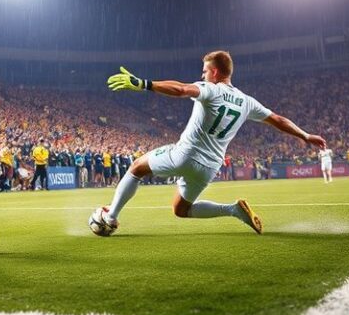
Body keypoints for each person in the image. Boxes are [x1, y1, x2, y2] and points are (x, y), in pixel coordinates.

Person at [92, 51, 326, 236]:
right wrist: (305, 136)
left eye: (204, 71)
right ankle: (234, 210)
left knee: (136, 168)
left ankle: (110, 217)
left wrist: (143, 84)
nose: (202, 75)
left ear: (214, 72)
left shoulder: (211, 89)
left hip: (185, 154)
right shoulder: (246, 102)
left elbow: (182, 89)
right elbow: (278, 120)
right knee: (180, 210)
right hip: (210, 167)